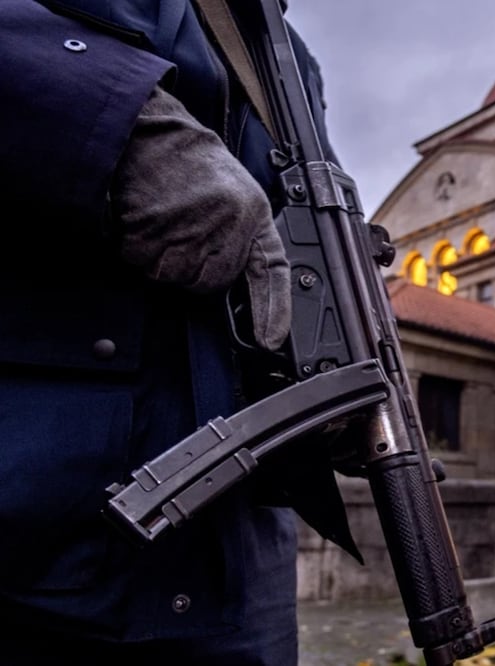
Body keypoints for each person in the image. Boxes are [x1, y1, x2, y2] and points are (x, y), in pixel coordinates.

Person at [0, 1, 345, 663]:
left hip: (238, 549)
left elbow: (293, 230)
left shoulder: (288, 56)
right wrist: (112, 123)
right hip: (38, 503)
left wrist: (332, 361)